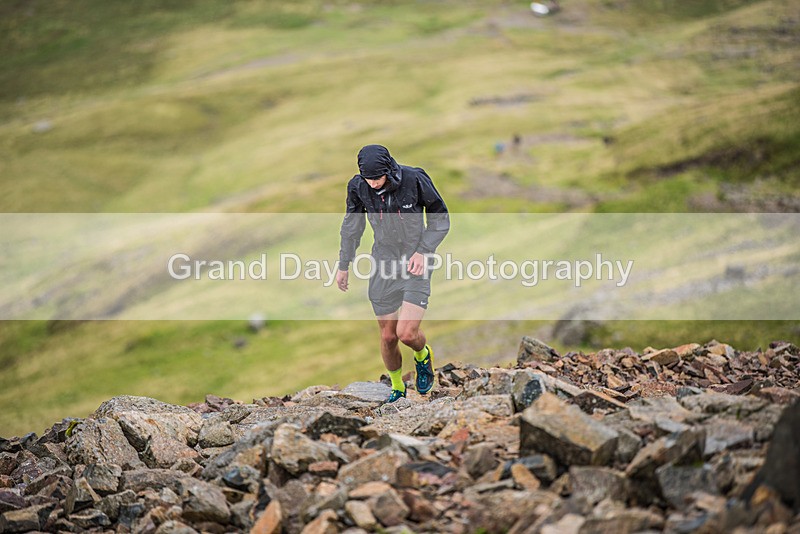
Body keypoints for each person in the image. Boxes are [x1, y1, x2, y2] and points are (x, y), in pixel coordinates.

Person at [336, 145, 450, 403]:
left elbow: (440, 218)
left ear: (388, 169)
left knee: (406, 333)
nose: (374, 184)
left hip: (415, 259)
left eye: (378, 178)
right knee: (388, 336)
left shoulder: (414, 179)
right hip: (383, 262)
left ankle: (422, 355)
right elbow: (351, 227)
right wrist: (344, 265)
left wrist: (423, 251)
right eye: (369, 178)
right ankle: (397, 388)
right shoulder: (358, 187)